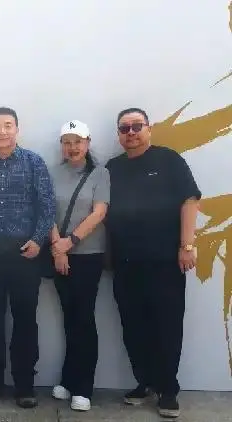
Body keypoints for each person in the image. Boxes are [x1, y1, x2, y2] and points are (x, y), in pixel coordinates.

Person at [105, 108, 201, 419]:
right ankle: (144, 382)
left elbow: (190, 200)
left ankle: (168, 389)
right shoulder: (112, 168)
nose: (131, 133)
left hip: (165, 260)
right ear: (119, 134)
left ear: (149, 128)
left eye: (137, 126)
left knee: (167, 325)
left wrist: (187, 245)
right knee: (133, 325)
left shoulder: (169, 160)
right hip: (124, 262)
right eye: (124, 128)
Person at [0, 107, 56, 408]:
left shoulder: (34, 162)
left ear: (17, 129)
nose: (3, 131)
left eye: (8, 125)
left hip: (25, 253)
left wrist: (38, 240)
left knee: (25, 321)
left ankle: (24, 385)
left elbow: (47, 206)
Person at [48, 120, 110, 412]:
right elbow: (48, 212)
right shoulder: (52, 173)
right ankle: (68, 379)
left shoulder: (100, 173)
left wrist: (70, 242)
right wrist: (57, 248)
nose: (73, 147)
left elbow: (99, 213)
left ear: (88, 143)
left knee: (83, 318)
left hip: (88, 255)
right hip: (58, 253)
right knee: (69, 318)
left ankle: (83, 387)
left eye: (78, 141)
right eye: (67, 142)